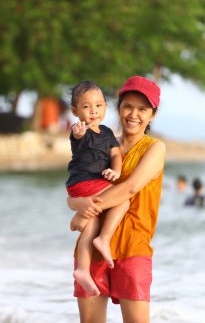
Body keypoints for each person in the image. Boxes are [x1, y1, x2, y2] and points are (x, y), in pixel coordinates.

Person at [67, 76, 166, 323]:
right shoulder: (100, 143)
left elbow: (130, 189)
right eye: (128, 106)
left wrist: (82, 212)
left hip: (133, 246)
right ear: (118, 107)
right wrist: (76, 205)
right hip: (92, 247)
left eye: (142, 109)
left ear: (152, 115)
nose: (134, 114)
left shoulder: (155, 148)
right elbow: (77, 189)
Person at [66, 80, 130, 297]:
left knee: (92, 224)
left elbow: (115, 155)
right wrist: (78, 133)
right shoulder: (80, 130)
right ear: (75, 111)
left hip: (92, 185)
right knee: (123, 199)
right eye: (86, 107)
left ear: (105, 106)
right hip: (84, 181)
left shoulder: (107, 132)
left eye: (98, 105)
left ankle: (83, 270)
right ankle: (102, 236)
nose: (93, 110)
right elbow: (77, 136)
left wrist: (117, 172)